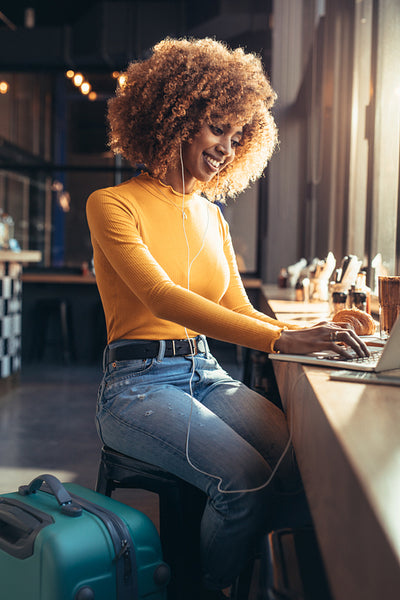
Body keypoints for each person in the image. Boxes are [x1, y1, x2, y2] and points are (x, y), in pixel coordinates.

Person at [86, 37, 369, 599]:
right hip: (137, 387)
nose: (226, 147)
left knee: (300, 466)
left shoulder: (213, 217)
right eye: (217, 128)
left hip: (207, 373)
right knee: (243, 482)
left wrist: (313, 334)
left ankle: (247, 578)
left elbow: (236, 307)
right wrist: (287, 335)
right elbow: (163, 299)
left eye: (238, 137)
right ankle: (205, 589)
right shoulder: (111, 204)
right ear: (176, 120)